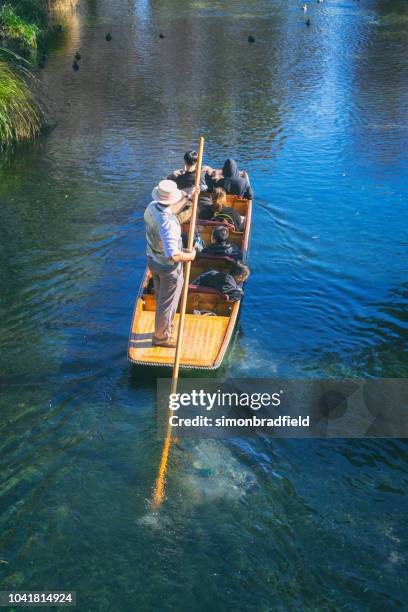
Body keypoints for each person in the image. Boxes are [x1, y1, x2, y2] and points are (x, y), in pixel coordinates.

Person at [144, 179, 197, 347]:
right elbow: (173, 255)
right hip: (168, 267)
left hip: (152, 260)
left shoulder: (152, 206)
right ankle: (161, 338)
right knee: (166, 303)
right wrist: (191, 256)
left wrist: (188, 195)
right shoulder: (169, 224)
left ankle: (166, 326)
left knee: (162, 297)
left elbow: (171, 209)